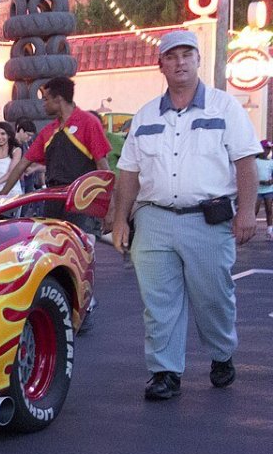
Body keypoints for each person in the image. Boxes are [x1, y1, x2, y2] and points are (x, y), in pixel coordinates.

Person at [111, 30, 261, 400]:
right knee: (158, 301)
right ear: (160, 64)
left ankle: (222, 354)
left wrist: (246, 213)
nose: (179, 62)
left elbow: (245, 163)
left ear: (197, 60)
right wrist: (119, 218)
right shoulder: (145, 115)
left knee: (214, 296)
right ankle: (165, 372)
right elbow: (128, 172)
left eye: (186, 55)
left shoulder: (225, 108)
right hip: (154, 218)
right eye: (171, 56)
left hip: (207, 219)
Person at [0, 77, 112, 221]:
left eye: (46, 99)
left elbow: (103, 165)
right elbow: (23, 164)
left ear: (58, 100)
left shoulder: (88, 122)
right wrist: (1, 197)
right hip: (53, 200)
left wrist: (110, 207)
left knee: (80, 242)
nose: (43, 104)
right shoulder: (48, 131)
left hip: (83, 200)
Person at [0, 122, 24, 196]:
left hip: (12, 193)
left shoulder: (16, 150)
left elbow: (11, 173)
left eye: (3, 134)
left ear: (9, 135)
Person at [14, 120, 41, 192]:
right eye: (28, 135)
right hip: (16, 182)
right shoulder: (11, 144)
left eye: (31, 136)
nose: (30, 138)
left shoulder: (26, 144)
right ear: (21, 130)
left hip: (26, 181)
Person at [254, 140, 272, 241]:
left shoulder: (271, 162)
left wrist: (270, 181)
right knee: (255, 210)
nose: (267, 151)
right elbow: (251, 175)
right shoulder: (255, 162)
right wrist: (260, 181)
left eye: (269, 149)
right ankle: (251, 228)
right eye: (265, 148)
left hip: (268, 189)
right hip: (257, 190)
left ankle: (269, 230)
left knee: (269, 210)